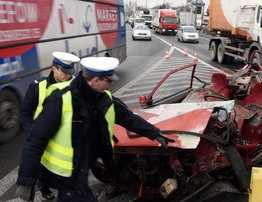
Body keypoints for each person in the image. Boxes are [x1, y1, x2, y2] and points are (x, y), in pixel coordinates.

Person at [15, 57, 174, 201]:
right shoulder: (60, 99)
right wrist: (26, 182)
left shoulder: (105, 99)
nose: (111, 84)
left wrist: (153, 132)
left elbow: (128, 118)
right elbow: (35, 140)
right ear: (96, 81)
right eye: (108, 80)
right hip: (62, 171)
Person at [20, 51, 80, 200]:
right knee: (42, 166)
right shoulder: (37, 87)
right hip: (42, 134)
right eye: (65, 72)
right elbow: (26, 112)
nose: (68, 75)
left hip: (64, 136)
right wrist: (31, 131)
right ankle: (44, 187)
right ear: (54, 69)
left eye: (70, 72)